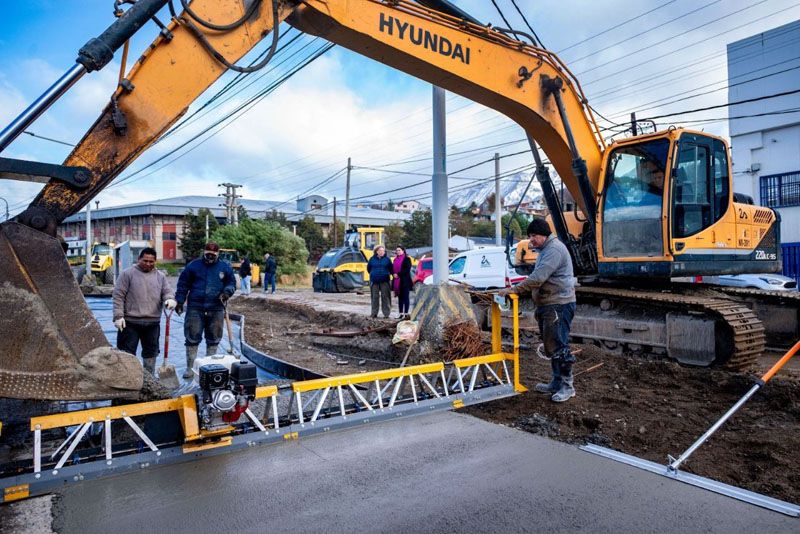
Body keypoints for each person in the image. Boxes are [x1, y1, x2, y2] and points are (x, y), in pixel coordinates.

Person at [500, 218, 577, 403]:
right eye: (530, 236)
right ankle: (556, 382)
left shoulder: (554, 250)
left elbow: (538, 278)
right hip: (549, 303)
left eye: (533, 236)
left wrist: (513, 290)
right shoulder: (545, 250)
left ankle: (568, 386)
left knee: (559, 345)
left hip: (558, 304)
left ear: (543, 234)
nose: (531, 240)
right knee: (552, 345)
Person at [175, 242, 236, 378]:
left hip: (216, 307)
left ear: (218, 254)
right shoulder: (193, 266)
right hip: (195, 308)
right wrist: (179, 300)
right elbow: (183, 284)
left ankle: (209, 368)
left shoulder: (224, 267)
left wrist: (227, 292)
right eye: (208, 253)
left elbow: (231, 283)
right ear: (204, 252)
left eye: (213, 254)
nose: (210, 256)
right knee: (192, 337)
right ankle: (190, 368)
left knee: (213, 338)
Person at [112, 247, 176, 375]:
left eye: (151, 262)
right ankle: (127, 378)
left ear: (155, 261)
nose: (148, 264)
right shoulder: (127, 274)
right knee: (127, 353)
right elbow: (118, 295)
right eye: (145, 260)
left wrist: (169, 299)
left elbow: (167, 291)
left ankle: (149, 379)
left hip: (152, 323)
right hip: (130, 322)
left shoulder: (160, 277)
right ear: (139, 259)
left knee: (151, 353)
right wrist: (118, 316)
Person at [367, 245, 393, 319]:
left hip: (385, 280)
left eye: (383, 251)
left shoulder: (387, 259)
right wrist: (373, 274)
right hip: (374, 281)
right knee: (375, 297)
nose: (382, 252)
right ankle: (374, 313)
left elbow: (391, 269)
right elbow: (368, 269)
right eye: (380, 251)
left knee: (385, 297)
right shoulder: (372, 259)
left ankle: (386, 314)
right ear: (376, 251)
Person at [392, 246, 413, 319]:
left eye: (399, 250)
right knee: (400, 298)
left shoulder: (407, 259)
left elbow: (407, 269)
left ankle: (406, 314)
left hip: (405, 281)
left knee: (406, 297)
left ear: (403, 251)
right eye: (397, 250)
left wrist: (398, 274)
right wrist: (393, 274)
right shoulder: (395, 260)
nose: (398, 251)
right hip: (397, 281)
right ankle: (401, 314)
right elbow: (393, 269)